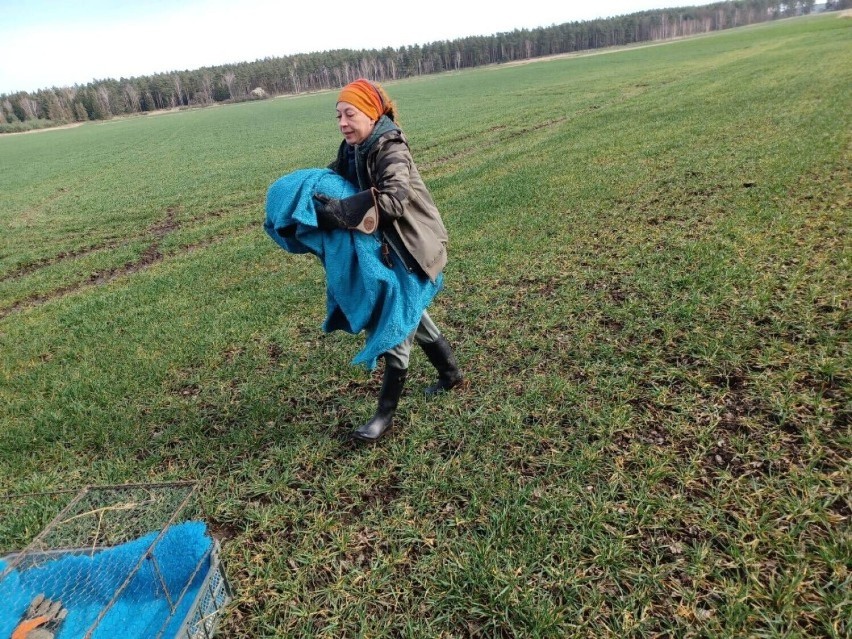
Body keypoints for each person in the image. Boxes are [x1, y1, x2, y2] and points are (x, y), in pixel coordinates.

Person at [312, 78, 463, 443]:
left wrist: (343, 213)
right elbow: (337, 178)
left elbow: (394, 201)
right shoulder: (354, 148)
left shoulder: (390, 148)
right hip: (390, 248)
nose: (343, 123)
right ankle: (451, 373)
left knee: (396, 325)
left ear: (371, 113)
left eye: (350, 114)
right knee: (413, 316)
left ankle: (384, 415)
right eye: (338, 116)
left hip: (414, 247)